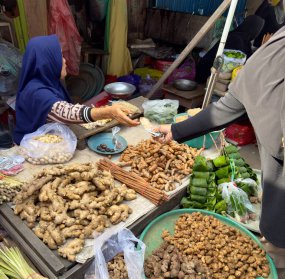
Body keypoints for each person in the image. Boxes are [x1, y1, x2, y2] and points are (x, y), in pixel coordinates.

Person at [154, 25, 285, 265]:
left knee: (277, 228)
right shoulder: (263, 63)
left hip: (279, 156)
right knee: (273, 220)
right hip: (274, 151)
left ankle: (277, 252)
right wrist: (176, 130)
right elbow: (225, 109)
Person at [14, 35, 139, 145]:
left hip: (50, 140)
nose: (64, 61)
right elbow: (66, 112)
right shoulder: (36, 91)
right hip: (35, 147)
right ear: (47, 61)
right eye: (60, 56)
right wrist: (108, 112)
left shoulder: (49, 81)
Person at [195, 15, 265, 84]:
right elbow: (235, 64)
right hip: (206, 75)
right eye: (257, 31)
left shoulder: (244, 40)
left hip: (216, 76)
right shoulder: (236, 39)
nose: (257, 34)